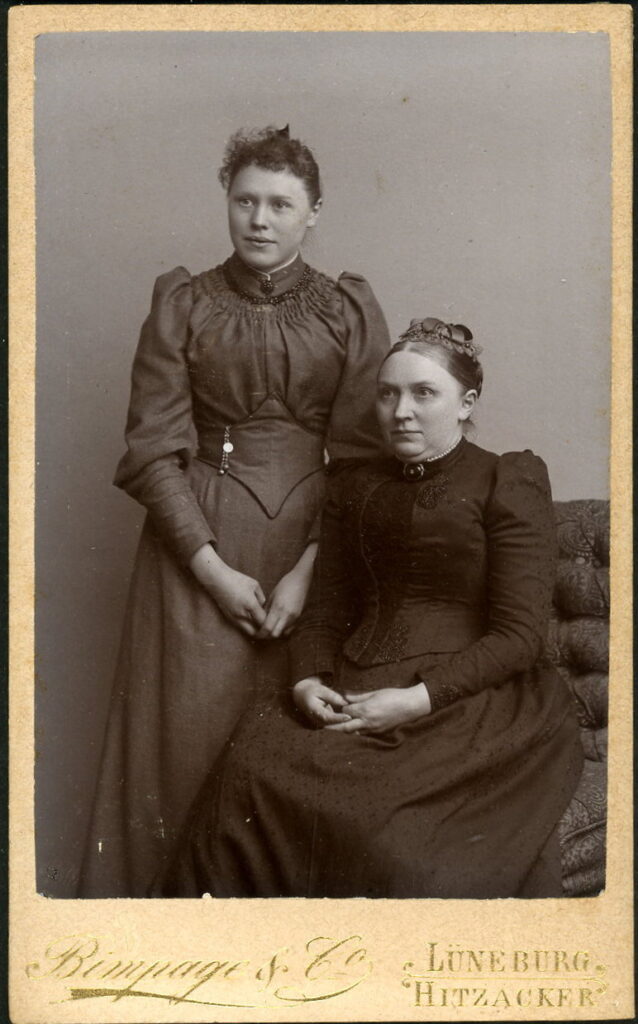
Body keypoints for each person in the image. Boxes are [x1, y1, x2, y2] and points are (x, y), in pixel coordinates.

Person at [155, 318, 584, 899]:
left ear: (466, 403)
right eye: (388, 394)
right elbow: (325, 609)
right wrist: (307, 680)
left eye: (424, 393)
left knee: (387, 838)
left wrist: (414, 701)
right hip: (353, 680)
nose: (401, 411)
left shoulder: (506, 480)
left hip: (468, 698)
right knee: (243, 781)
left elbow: (519, 637)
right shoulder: (354, 484)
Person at [78, 126, 390, 897]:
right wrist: (211, 569)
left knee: (291, 762)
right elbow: (153, 451)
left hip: (313, 549)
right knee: (182, 751)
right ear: (227, 201)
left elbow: (363, 461)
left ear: (313, 212)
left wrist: (309, 572)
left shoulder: (348, 308)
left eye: (280, 204)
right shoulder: (183, 303)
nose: (260, 219)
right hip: (195, 551)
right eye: (245, 200)